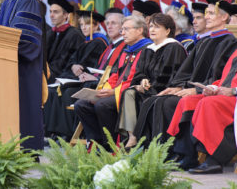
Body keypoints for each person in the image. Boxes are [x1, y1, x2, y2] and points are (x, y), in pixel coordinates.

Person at [133, 0, 237, 148]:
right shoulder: (205, 41)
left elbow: (221, 76)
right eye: (206, 13)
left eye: (211, 14)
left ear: (224, 17)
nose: (206, 17)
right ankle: (150, 149)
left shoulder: (229, 41)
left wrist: (197, 89)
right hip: (196, 88)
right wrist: (179, 87)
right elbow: (187, 72)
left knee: (168, 102)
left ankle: (176, 151)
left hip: (209, 90)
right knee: (156, 99)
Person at [74, 15, 152, 149]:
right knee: (81, 104)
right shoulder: (126, 50)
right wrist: (103, 90)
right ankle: (96, 143)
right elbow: (114, 74)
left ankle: (110, 144)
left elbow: (137, 80)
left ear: (139, 30)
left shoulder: (147, 50)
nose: (122, 33)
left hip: (133, 94)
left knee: (102, 105)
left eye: (126, 29)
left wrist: (113, 92)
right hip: (116, 91)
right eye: (122, 30)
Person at [44, 9, 120, 141]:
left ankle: (67, 133)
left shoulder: (100, 43)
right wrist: (73, 66)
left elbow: (94, 66)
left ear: (96, 26)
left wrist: (84, 70)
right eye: (82, 24)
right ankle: (54, 132)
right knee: (54, 90)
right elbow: (73, 60)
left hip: (94, 81)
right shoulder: (88, 42)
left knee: (67, 92)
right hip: (85, 79)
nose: (84, 27)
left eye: (87, 24)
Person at [0, 0, 43, 151]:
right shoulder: (9, 0)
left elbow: (26, 36)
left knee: (24, 107)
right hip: (7, 62)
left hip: (22, 64)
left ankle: (27, 148)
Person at [117, 13, 187, 149]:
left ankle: (144, 142)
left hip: (164, 91)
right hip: (149, 90)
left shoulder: (174, 48)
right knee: (129, 93)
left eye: (157, 27)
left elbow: (169, 76)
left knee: (144, 98)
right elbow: (139, 73)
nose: (152, 30)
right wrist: (141, 81)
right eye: (150, 27)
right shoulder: (148, 50)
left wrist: (150, 87)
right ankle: (132, 136)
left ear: (167, 30)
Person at [167, 48, 237, 173]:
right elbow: (225, 80)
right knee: (187, 101)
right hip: (225, 95)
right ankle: (187, 155)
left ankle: (214, 160)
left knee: (209, 103)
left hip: (234, 98)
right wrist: (212, 88)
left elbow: (231, 87)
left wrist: (233, 91)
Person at [46, 0, 84, 84]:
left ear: (65, 15)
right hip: (45, 74)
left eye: (55, 12)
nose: (51, 15)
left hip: (61, 78)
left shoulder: (75, 35)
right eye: (50, 11)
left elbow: (72, 62)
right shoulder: (49, 34)